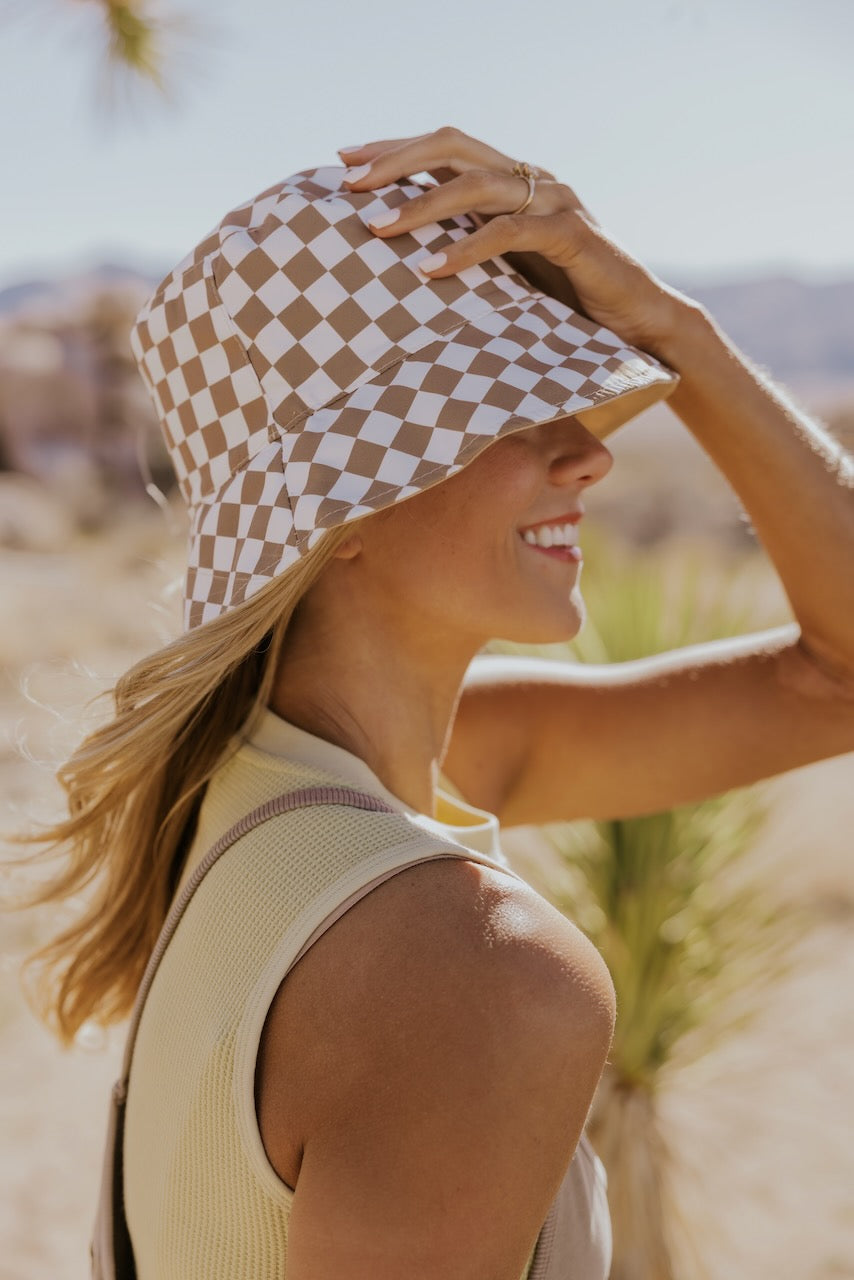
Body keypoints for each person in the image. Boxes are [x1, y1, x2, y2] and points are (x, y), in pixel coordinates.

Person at [15, 126, 854, 1280]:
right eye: (504, 417)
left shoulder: (251, 782)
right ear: (340, 511)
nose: (588, 456)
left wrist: (672, 325)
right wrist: (671, 332)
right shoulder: (472, 970)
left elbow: (836, 675)